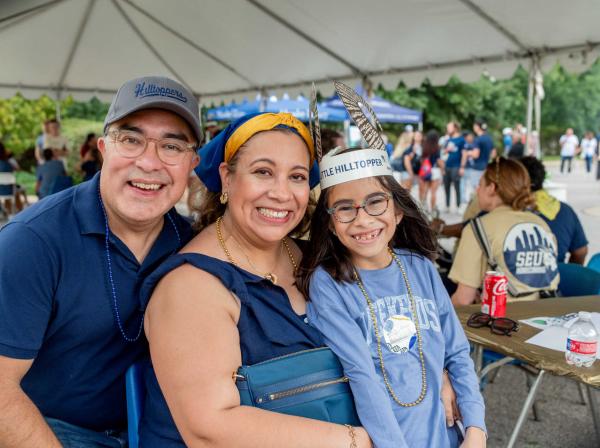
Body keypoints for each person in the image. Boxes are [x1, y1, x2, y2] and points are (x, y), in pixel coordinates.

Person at [137, 112, 374, 447]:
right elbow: (211, 429)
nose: (281, 193)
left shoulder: (319, 261)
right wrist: (362, 441)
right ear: (227, 178)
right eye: (263, 172)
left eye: (296, 176)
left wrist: (432, 374)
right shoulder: (190, 287)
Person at [0, 75, 201, 447]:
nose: (149, 161)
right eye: (131, 139)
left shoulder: (191, 242)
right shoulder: (32, 242)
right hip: (52, 430)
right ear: (103, 147)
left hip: (160, 427)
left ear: (192, 163)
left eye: (172, 146)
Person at [297, 146, 486, 448]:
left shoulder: (420, 266)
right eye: (345, 208)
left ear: (398, 211)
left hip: (449, 433)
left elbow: (457, 352)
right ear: (331, 223)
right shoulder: (329, 283)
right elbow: (362, 375)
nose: (362, 219)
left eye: (375, 202)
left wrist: (476, 429)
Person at [450, 157, 559, 306]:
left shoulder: (478, 228)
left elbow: (463, 300)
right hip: (546, 316)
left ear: (492, 188)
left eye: (480, 184)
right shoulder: (541, 224)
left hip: (501, 322)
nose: (477, 190)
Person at [520, 156, 588, 264]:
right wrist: (567, 273)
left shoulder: (506, 212)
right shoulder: (565, 210)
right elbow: (580, 252)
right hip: (558, 275)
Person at [462, 120, 494, 203]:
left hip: (476, 168)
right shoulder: (489, 139)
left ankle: (478, 206)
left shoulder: (478, 140)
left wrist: (468, 153)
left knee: (477, 189)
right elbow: (493, 153)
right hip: (486, 167)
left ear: (477, 127)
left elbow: (476, 154)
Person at [417, 130, 443, 213]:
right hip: (435, 171)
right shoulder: (437, 147)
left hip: (426, 170)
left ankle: (424, 209)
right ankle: (432, 210)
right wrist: (443, 169)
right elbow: (439, 160)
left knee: (425, 191)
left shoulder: (424, 146)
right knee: (433, 192)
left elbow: (421, 160)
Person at [442, 121, 465, 212]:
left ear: (455, 128)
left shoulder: (461, 140)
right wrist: (446, 150)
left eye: (449, 127)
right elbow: (443, 153)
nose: (448, 129)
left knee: (457, 186)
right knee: (446, 186)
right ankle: (447, 206)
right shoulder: (448, 140)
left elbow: (464, 154)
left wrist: (462, 167)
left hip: (456, 166)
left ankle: (458, 206)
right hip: (447, 165)